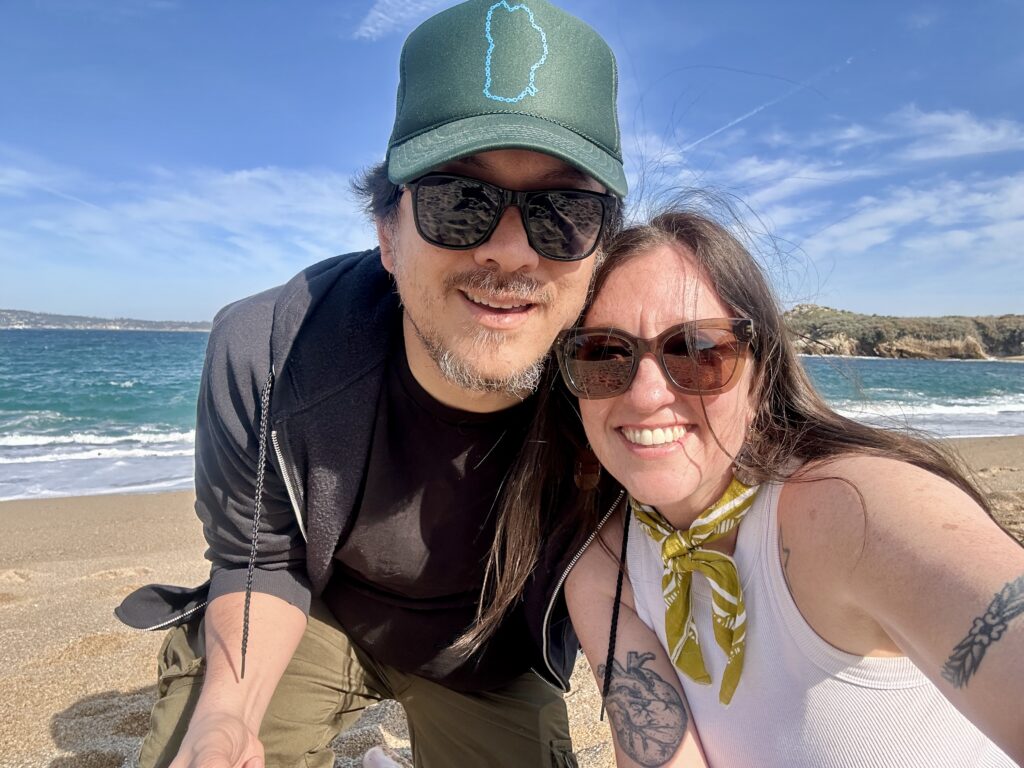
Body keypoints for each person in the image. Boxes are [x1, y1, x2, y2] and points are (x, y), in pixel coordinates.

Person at [115, 2, 628, 766]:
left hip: (485, 655)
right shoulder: (267, 353)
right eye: (461, 201)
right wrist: (225, 716)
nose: (511, 251)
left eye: (563, 212)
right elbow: (258, 558)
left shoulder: (625, 388)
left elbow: (646, 574)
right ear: (387, 232)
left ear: (598, 253)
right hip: (313, 611)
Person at [554, 207, 1024, 766]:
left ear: (761, 375)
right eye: (604, 353)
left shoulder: (850, 509)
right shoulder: (605, 566)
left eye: (698, 351)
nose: (645, 394)